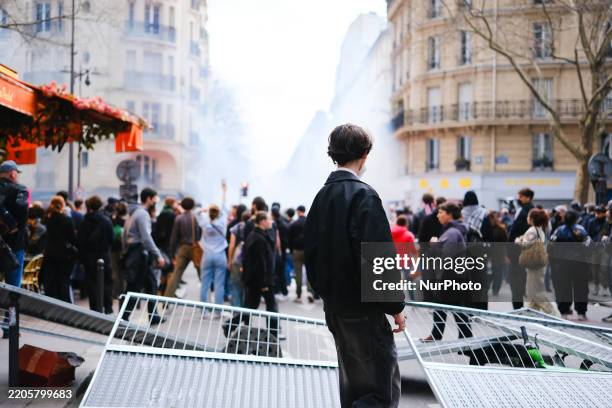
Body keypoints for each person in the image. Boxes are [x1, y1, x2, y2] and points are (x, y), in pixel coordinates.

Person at [304, 124, 405, 408]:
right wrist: (395, 307)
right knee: (380, 393)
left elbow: (311, 252)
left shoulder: (321, 197)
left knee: (353, 390)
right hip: (363, 310)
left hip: (336, 309)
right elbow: (379, 259)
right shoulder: (364, 196)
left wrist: (326, 294)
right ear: (364, 154)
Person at [422, 202, 472, 341]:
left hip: (450, 276)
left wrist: (434, 245)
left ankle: (465, 338)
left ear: (449, 214)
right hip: (455, 275)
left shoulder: (452, 232)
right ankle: (462, 338)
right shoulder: (453, 230)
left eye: (441, 212)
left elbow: (446, 257)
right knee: (446, 306)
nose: (438, 215)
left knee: (454, 308)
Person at [121, 188, 166, 323]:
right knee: (134, 287)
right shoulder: (142, 214)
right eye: (154, 198)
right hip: (139, 254)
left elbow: (124, 234)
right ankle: (124, 317)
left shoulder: (133, 213)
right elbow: (146, 237)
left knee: (150, 283)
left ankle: (153, 316)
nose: (155, 201)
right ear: (148, 198)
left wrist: (125, 251)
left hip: (135, 253)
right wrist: (158, 255)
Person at [515, 208, 558, 316]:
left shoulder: (532, 230)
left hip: (534, 266)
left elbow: (525, 243)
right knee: (532, 293)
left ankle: (554, 314)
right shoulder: (540, 230)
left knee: (536, 293)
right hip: (538, 264)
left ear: (532, 219)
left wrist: (518, 240)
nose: (527, 218)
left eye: (529, 216)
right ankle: (530, 315)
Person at [241, 211, 279, 331]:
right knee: (271, 307)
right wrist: (264, 284)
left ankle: (233, 326)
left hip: (257, 279)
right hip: (262, 280)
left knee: (250, 306)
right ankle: (273, 333)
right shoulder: (258, 238)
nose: (271, 222)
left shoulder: (257, 235)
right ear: (262, 221)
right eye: (269, 219)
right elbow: (260, 263)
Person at [550, 210, 590, 320]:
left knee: (563, 287)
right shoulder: (581, 230)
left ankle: (564, 311)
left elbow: (551, 245)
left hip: (562, 264)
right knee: (581, 288)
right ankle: (581, 312)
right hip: (580, 264)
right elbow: (588, 244)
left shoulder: (558, 230)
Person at [77, 195, 114, 314]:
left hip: (89, 257)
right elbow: (111, 239)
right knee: (107, 282)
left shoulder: (84, 222)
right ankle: (108, 307)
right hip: (104, 256)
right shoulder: (106, 221)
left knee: (92, 283)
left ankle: (94, 309)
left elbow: (80, 242)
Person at [41, 196, 77, 303]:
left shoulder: (46, 219)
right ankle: (64, 304)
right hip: (63, 255)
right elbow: (73, 239)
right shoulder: (66, 220)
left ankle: (51, 303)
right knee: (63, 280)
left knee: (50, 280)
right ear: (63, 205)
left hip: (49, 253)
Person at [164, 197, 202, 298]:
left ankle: (167, 298)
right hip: (194, 248)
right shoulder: (194, 217)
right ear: (192, 206)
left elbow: (174, 238)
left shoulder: (178, 218)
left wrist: (172, 254)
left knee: (176, 274)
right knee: (201, 274)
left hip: (183, 248)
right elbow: (198, 234)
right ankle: (205, 298)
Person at [199, 183, 228, 308]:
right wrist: (224, 192)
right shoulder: (222, 222)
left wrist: (204, 209)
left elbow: (196, 212)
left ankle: (204, 311)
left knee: (205, 284)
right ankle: (218, 311)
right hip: (220, 254)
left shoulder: (204, 222)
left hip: (207, 254)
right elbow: (224, 207)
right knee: (219, 284)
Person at [0, 160, 28, 287]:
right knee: (13, 288)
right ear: (12, 174)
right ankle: (11, 307)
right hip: (14, 243)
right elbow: (22, 213)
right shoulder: (20, 190)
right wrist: (15, 225)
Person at [507, 188, 535, 309]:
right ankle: (520, 307)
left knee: (517, 282)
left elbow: (519, 231)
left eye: (521, 196)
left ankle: (519, 308)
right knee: (519, 282)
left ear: (528, 197)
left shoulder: (528, 211)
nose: (519, 199)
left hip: (520, 252)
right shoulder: (524, 210)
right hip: (519, 251)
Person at [227, 212, 250, 306]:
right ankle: (245, 310)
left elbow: (232, 245)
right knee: (246, 285)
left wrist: (229, 260)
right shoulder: (252, 227)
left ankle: (236, 309)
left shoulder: (236, 227)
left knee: (235, 284)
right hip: (248, 257)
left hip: (237, 256)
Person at [288, 205, 311, 303]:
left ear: (298, 211)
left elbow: (289, 238)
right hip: (308, 250)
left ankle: (298, 295)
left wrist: (291, 249)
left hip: (297, 251)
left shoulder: (294, 224)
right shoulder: (310, 222)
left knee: (298, 274)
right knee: (309, 273)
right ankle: (310, 293)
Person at [588, 205, 608, 296]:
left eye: (600, 213)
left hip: (605, 249)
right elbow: (588, 234)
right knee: (595, 268)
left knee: (604, 268)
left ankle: (604, 287)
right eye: (597, 213)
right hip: (595, 249)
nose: (598, 214)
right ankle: (596, 287)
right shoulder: (592, 222)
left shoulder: (607, 222)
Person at [488, 211, 508, 296]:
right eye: (494, 217)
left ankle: (495, 290)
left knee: (498, 273)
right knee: (489, 273)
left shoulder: (501, 229)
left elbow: (505, 243)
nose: (496, 219)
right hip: (488, 255)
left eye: (497, 217)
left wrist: (506, 255)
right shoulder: (486, 228)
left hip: (498, 254)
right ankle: (487, 287)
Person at [271, 202, 289, 297]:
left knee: (277, 271)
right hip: (284, 249)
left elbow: (277, 240)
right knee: (281, 271)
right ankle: (284, 290)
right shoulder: (284, 221)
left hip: (278, 250)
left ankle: (279, 290)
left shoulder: (274, 224)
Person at [110, 201, 128, 298]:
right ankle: (124, 293)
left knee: (115, 271)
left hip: (113, 248)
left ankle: (115, 292)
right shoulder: (127, 221)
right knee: (124, 271)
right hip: (123, 249)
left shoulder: (112, 220)